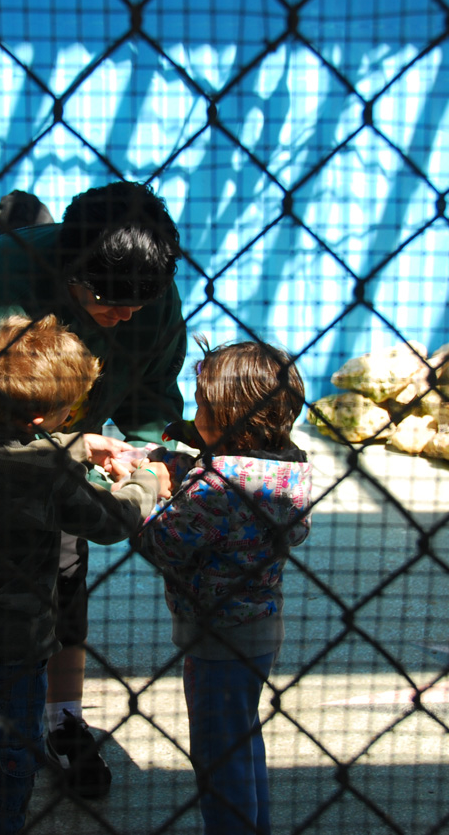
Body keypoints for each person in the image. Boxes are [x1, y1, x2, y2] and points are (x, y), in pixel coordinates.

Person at [0, 180, 187, 797]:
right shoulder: (6, 274)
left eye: (140, 303)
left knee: (63, 562)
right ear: (71, 270)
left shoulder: (145, 293)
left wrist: (146, 455)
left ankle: (62, 716)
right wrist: (84, 464)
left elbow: (154, 405)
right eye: (107, 301)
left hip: (63, 433)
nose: (125, 314)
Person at [0, 314, 170, 835]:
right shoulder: (46, 474)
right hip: (5, 653)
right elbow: (111, 520)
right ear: (42, 418)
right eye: (68, 411)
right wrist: (148, 478)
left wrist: (79, 445)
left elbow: (19, 448)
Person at [138, 340, 313, 835]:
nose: (194, 416)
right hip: (258, 632)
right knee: (241, 743)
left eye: (202, 405)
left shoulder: (219, 485)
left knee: (217, 759)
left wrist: (150, 486)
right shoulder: (286, 466)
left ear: (232, 417)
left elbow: (160, 543)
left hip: (217, 639)